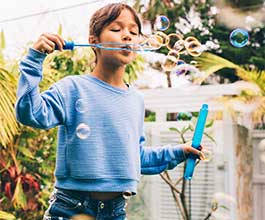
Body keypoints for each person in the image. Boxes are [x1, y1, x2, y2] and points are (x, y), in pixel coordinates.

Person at [15, 3, 203, 220]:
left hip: (115, 211)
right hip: (71, 208)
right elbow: (30, 113)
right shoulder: (72, 89)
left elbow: (137, 158)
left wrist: (180, 152)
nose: (127, 36)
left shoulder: (136, 100)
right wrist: (34, 59)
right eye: (116, 29)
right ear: (93, 41)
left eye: (134, 32)